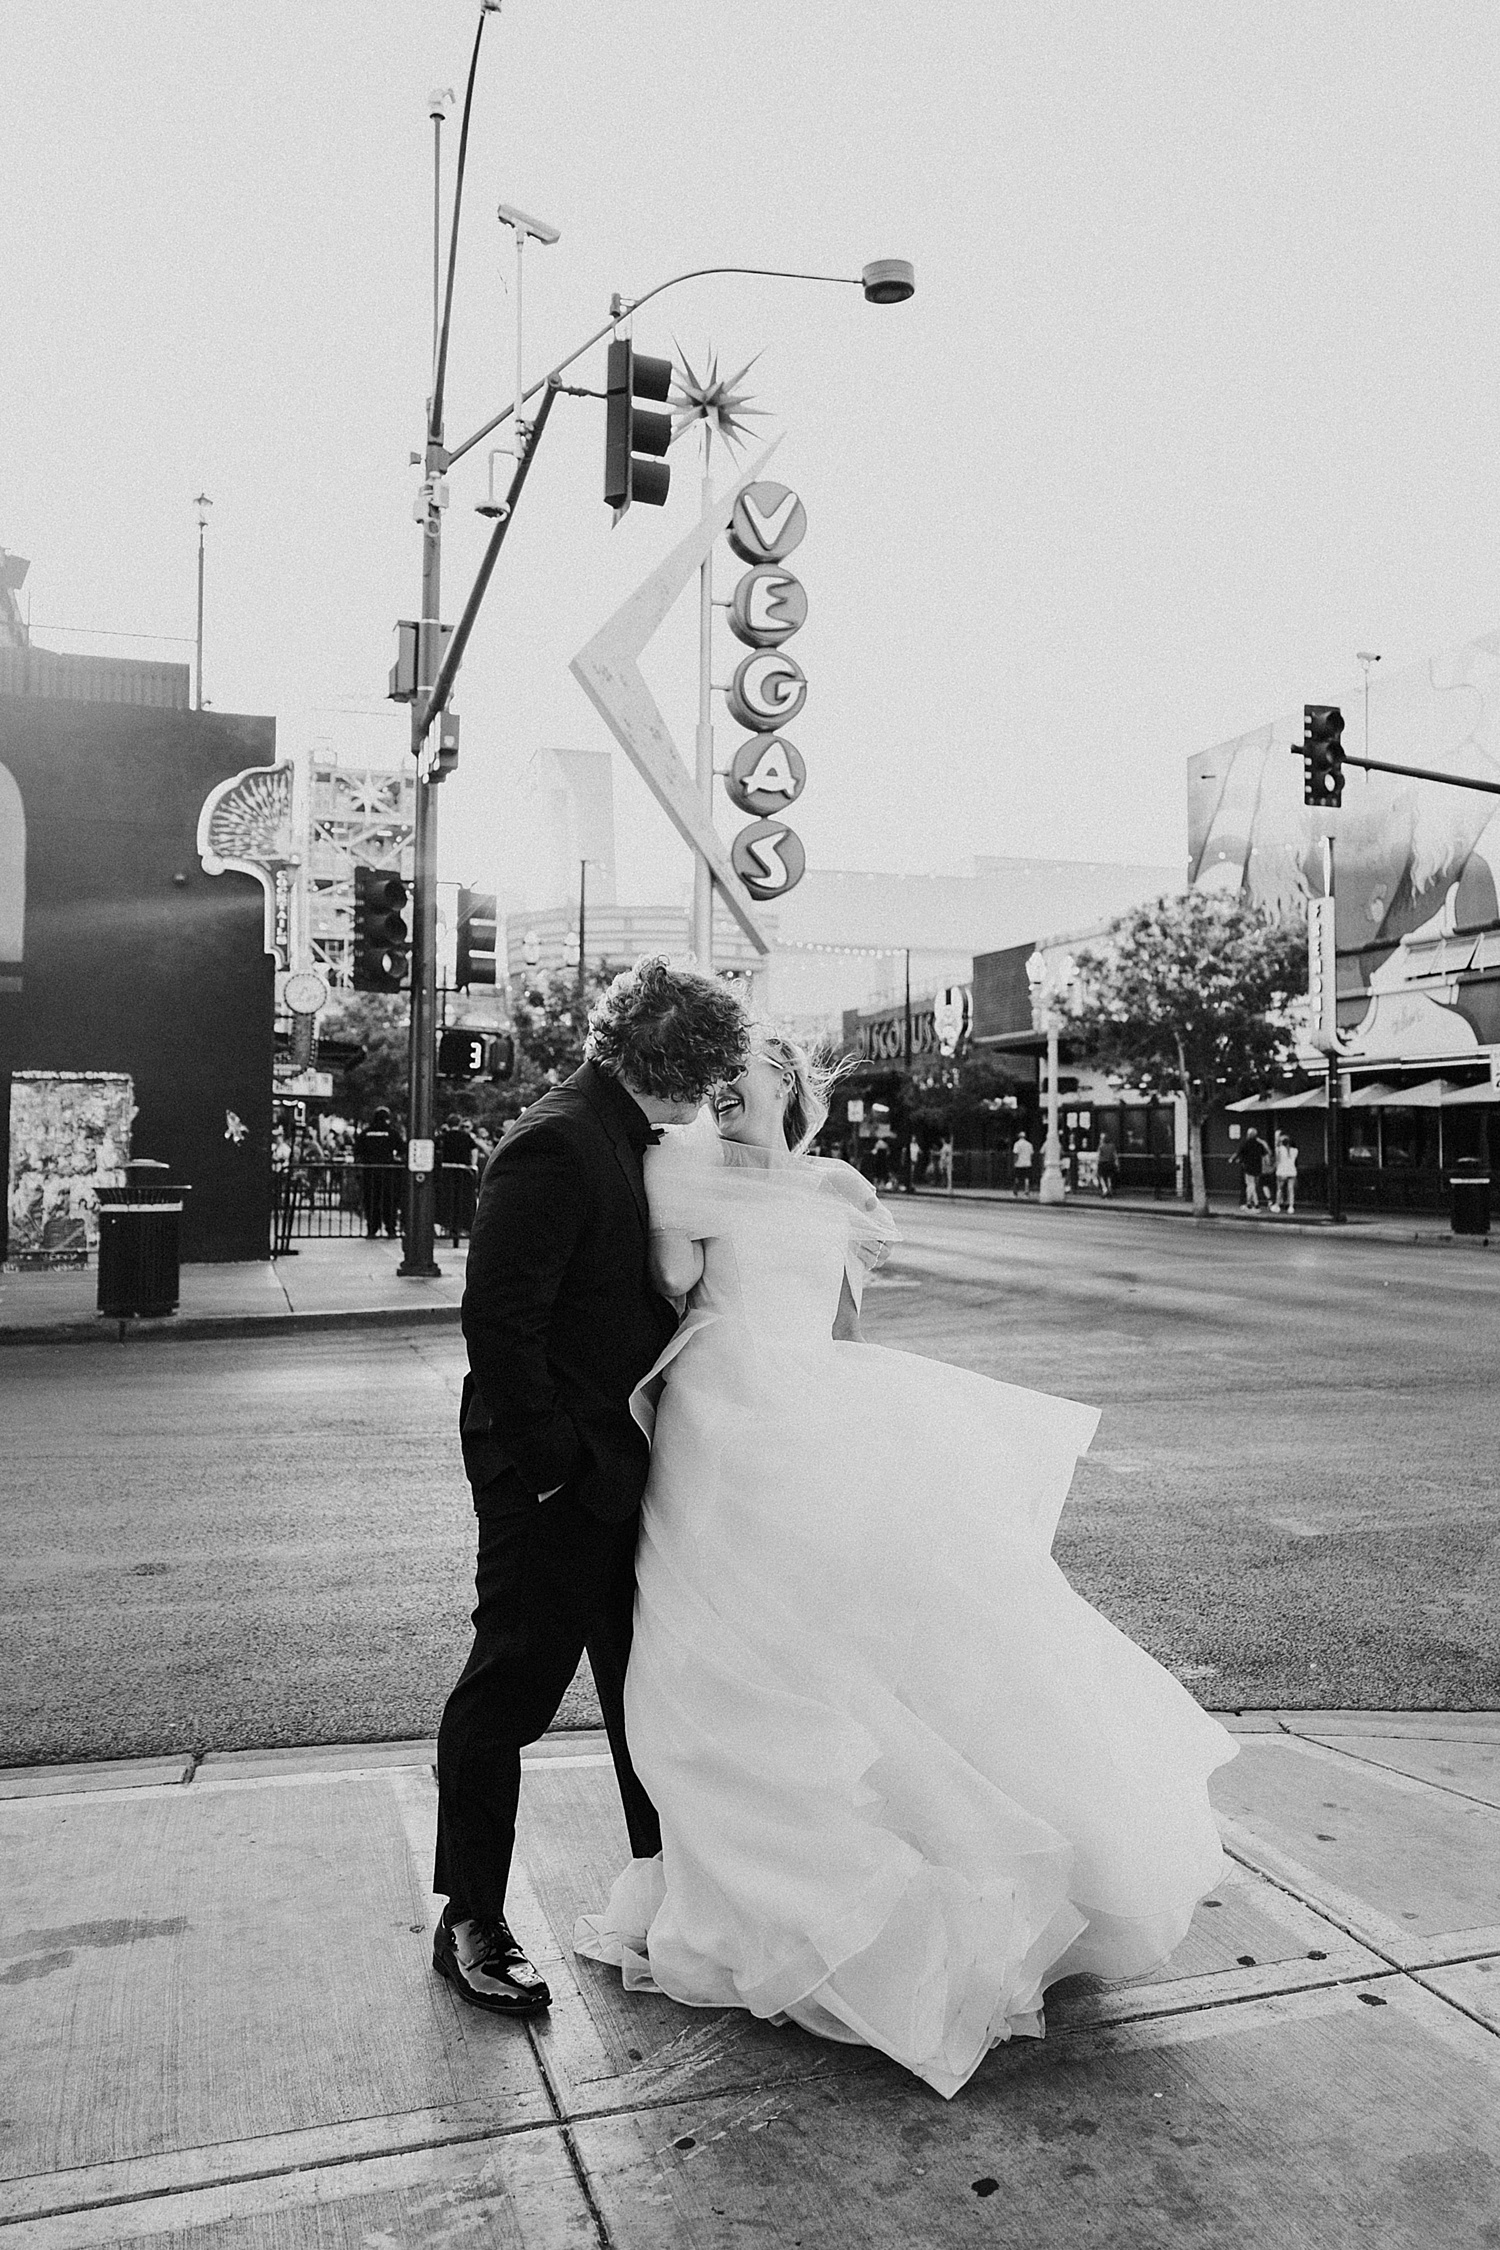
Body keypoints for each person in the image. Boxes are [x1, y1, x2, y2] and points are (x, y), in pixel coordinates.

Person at [574, 1031, 1235, 2099]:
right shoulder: (679, 1170)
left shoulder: (839, 1183)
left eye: (742, 1078)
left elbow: (840, 1325)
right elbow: (674, 1283)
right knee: (709, 1660)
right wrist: (679, 1209)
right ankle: (757, 1897)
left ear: (788, 1087)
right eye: (713, 1083)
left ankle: (914, 1888)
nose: (723, 1093)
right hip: (713, 1424)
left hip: (806, 1415)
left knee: (881, 1636)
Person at [432, 957, 749, 2017]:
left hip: (623, 1474)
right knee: (511, 1688)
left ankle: (670, 1900)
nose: (708, 1100)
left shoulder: (620, 1133)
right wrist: (560, 1467)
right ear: (678, 1063)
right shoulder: (558, 1140)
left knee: (643, 1695)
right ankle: (470, 1918)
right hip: (556, 1482)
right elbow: (499, 1326)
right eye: (705, 1076)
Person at [355, 1106, 406, 1239]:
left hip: (370, 1173)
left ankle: (372, 1229)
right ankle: (390, 1229)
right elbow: (402, 1149)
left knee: (371, 1201)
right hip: (388, 1173)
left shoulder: (366, 1133)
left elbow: (357, 1151)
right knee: (389, 1202)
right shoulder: (392, 1133)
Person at [435, 1113, 479, 1245]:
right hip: (463, 1172)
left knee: (446, 1198)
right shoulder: (466, 1136)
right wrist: (472, 1165)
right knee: (463, 1199)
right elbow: (474, 1151)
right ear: (459, 1124)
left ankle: (446, 1224)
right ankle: (463, 1226)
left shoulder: (442, 1137)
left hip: (446, 1172)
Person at [1237, 1125, 1268, 1212]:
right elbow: (1265, 1155)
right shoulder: (1259, 1144)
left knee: (1250, 1185)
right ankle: (1254, 1203)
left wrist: (1236, 1160)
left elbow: (1239, 1153)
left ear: (1248, 1134)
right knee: (1253, 1185)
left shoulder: (1245, 1143)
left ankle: (1250, 1204)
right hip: (1258, 1168)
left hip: (1248, 1168)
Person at [1274, 1130, 1298, 1215]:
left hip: (1282, 1171)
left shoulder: (1279, 1150)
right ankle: (1291, 1207)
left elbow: (1277, 1160)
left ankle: (1277, 1205)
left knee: (1279, 1189)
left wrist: (1277, 1136)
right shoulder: (1295, 1150)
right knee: (1290, 1189)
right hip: (1292, 1171)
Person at [1096, 1129, 1119, 1198]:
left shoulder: (1101, 1146)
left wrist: (1097, 1164)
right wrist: (1117, 1163)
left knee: (1101, 1177)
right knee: (1109, 1177)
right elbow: (1115, 1155)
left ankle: (1105, 1189)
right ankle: (1110, 1189)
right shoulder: (1112, 1146)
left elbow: (1098, 1155)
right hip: (1110, 1163)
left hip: (1102, 1163)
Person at [1010, 1130, 1034, 1195]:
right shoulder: (1029, 1144)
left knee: (1017, 1177)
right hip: (1027, 1163)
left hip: (1019, 1163)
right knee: (1026, 1178)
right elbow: (1031, 1154)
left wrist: (1014, 1162)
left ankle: (1015, 1191)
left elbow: (1016, 1154)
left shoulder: (1017, 1144)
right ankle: (1026, 1191)